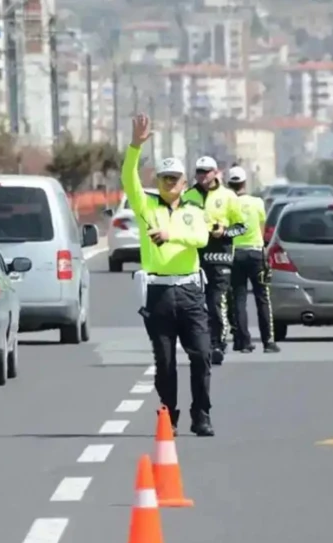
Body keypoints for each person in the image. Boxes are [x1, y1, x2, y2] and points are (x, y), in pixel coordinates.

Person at [123, 114, 215, 437]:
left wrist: (171, 235)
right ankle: (169, 416)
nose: (169, 183)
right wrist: (135, 145)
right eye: (164, 178)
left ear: (184, 184)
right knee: (164, 362)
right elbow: (128, 179)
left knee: (201, 354)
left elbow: (202, 239)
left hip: (190, 292)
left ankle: (201, 414)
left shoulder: (193, 212)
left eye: (174, 178)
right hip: (159, 294)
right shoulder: (146, 206)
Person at [181, 156, 245, 365]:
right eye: (199, 171)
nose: (203, 175)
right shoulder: (188, 196)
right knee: (196, 305)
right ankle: (200, 343)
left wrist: (224, 232)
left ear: (216, 172)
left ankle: (218, 344)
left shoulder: (228, 196)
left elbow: (242, 226)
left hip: (221, 257)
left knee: (216, 302)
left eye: (207, 171)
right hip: (194, 258)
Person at [227, 166, 280, 353]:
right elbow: (262, 227)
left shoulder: (227, 203)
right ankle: (268, 341)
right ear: (244, 183)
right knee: (262, 297)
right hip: (256, 254)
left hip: (235, 254)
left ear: (229, 184)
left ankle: (243, 341)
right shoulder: (257, 202)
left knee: (238, 298)